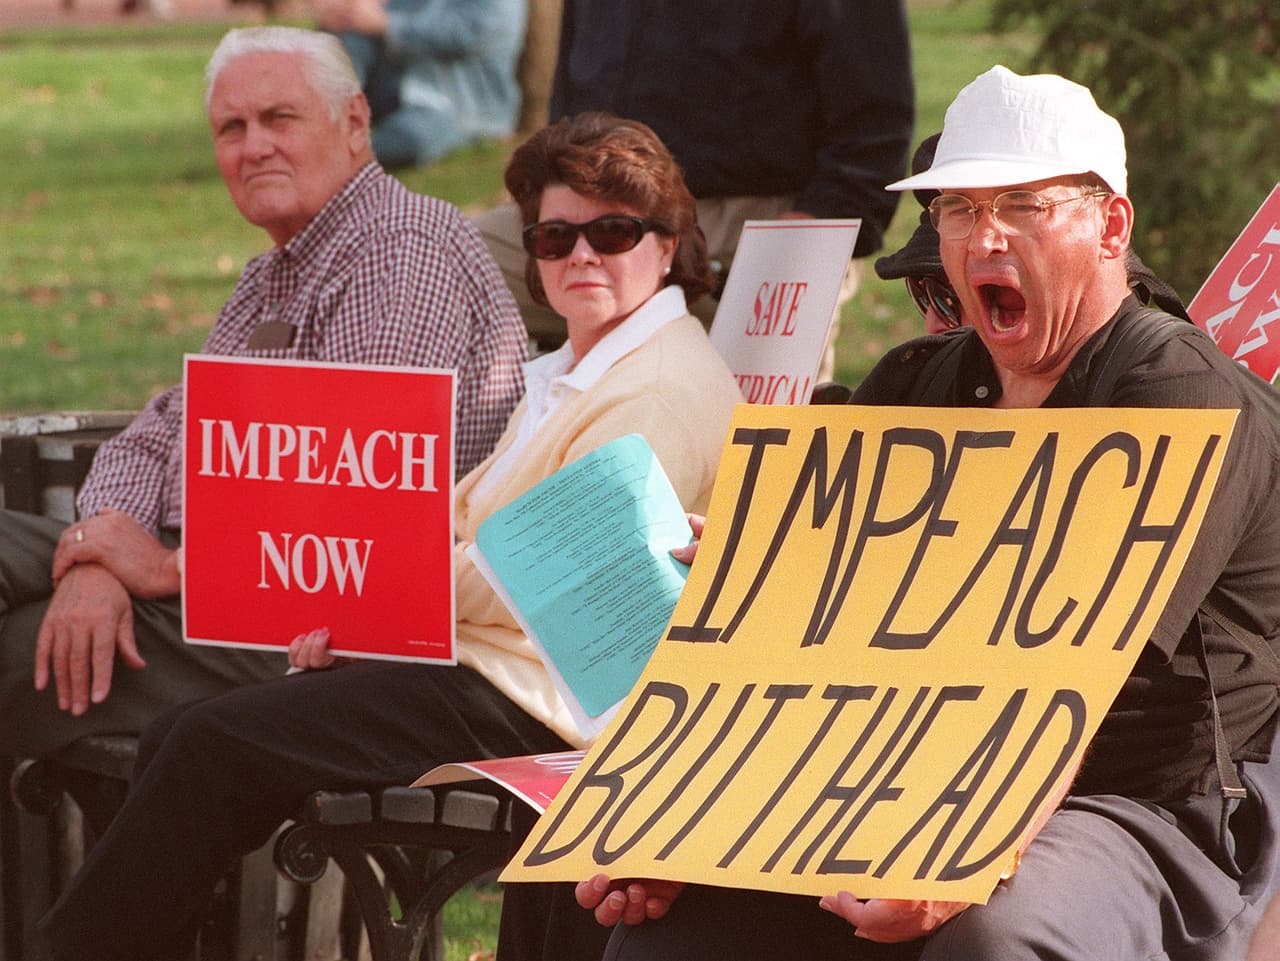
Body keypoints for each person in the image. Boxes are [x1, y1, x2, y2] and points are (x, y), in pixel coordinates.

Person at [573, 65, 1280, 961]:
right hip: (893, 776)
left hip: (1135, 803)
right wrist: (695, 817)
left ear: (1111, 225)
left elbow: (1077, 674)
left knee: (993, 932)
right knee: (667, 924)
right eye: (956, 209)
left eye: (1023, 205)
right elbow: (804, 637)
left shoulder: (1180, 396)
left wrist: (963, 853)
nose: (984, 238)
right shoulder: (915, 382)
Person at [38, 111, 744, 961]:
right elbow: (459, 527)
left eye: (613, 231)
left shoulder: (655, 386)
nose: (582, 256)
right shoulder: (578, 368)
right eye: (556, 237)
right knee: (185, 737)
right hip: (482, 669)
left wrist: (378, 597)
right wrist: (374, 620)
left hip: (544, 705)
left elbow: (555, 577)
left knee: (206, 743)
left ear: (667, 245)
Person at [0, 25, 527, 760]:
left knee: (20, 651)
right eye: (232, 128)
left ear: (353, 123)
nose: (254, 147)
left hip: (319, 636)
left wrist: (158, 570)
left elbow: (351, 515)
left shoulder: (403, 250)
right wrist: (97, 559)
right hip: (209, 581)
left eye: (280, 119)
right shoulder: (273, 272)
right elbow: (157, 435)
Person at [475, 0, 915, 380]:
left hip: (752, 216)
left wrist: (820, 223)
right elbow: (575, 81)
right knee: (434, 265)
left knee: (761, 441)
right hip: (589, 204)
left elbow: (876, 116)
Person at [314, 0, 526, 170]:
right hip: (399, 84)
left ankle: (342, 156)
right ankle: (319, 119)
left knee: (410, 139)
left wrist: (386, 23)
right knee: (351, 33)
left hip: (455, 105)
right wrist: (348, 10)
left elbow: (466, 33)